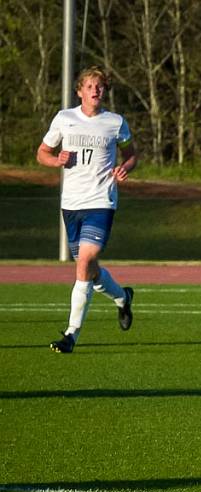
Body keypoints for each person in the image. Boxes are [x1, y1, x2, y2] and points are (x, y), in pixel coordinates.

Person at [38, 66, 137, 353]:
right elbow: (41, 153)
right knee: (90, 270)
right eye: (90, 86)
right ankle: (122, 298)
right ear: (80, 91)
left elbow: (131, 155)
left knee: (84, 263)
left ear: (104, 91)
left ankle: (71, 334)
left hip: (101, 202)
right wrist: (56, 159)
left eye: (100, 86)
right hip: (71, 204)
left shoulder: (115, 122)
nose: (96, 90)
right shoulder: (64, 119)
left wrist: (125, 167)